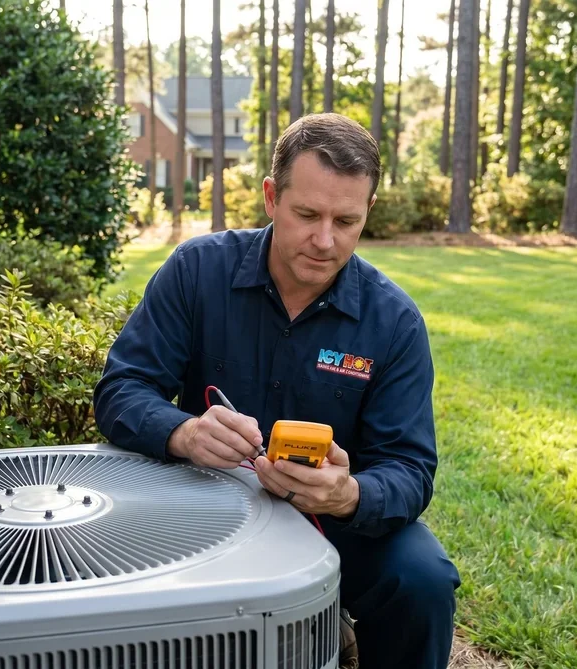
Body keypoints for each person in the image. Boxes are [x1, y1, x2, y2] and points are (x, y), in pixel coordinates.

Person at [93, 113, 460, 669]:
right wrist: (184, 432)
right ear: (270, 197)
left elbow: (409, 467)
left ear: (369, 214)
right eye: (307, 214)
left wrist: (350, 494)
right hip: (202, 505)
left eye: (346, 220)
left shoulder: (394, 322)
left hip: (335, 524)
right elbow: (122, 388)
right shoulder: (198, 271)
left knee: (424, 580)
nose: (324, 239)